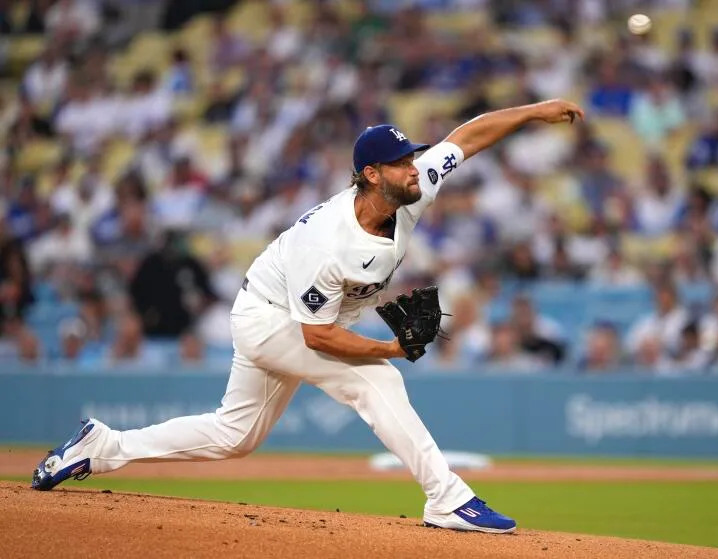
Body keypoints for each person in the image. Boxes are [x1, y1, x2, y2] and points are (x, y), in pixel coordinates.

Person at [31, 98, 585, 534]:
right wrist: (390, 349)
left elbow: (466, 138)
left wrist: (533, 112)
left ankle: (103, 446)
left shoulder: (414, 187)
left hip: (284, 313)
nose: (414, 166)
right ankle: (448, 498)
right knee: (377, 380)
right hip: (271, 319)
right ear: (372, 174)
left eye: (412, 157)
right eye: (400, 162)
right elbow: (317, 337)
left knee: (235, 435)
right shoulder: (329, 242)